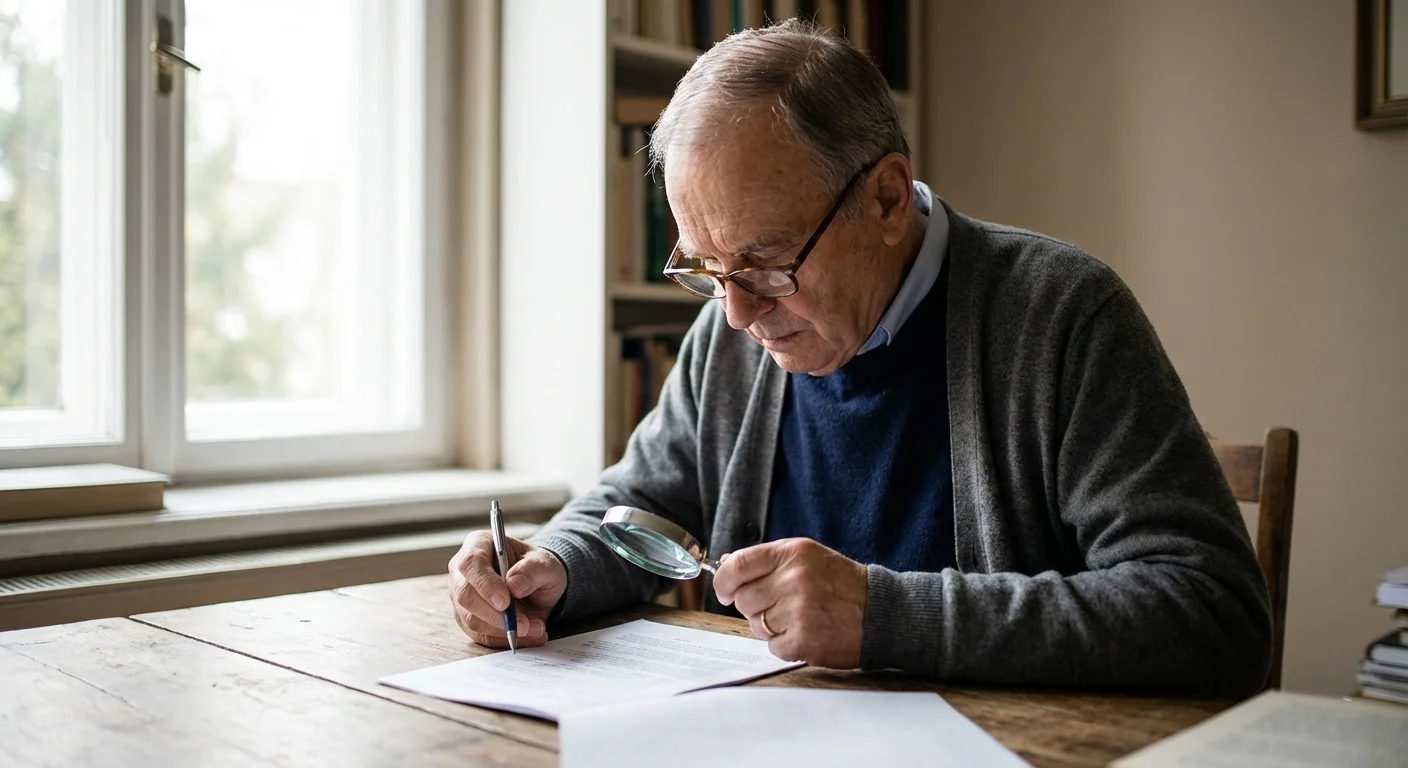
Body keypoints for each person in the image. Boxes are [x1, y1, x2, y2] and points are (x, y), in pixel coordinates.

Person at [449, 20, 1271, 696]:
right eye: (706, 268)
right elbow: (634, 507)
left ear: (884, 196)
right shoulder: (729, 339)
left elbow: (1211, 613)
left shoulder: (1061, 315)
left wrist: (883, 614)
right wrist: (552, 565)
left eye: (769, 262)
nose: (737, 313)